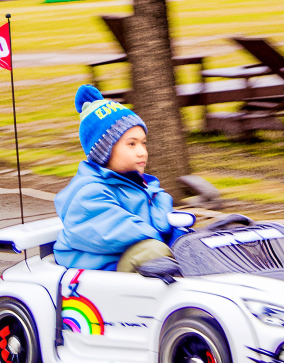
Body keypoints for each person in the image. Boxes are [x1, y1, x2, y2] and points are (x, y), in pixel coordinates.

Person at [52, 86, 187, 271]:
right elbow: (118, 230)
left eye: (143, 143)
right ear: (104, 151)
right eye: (131, 144)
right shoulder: (88, 192)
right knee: (154, 252)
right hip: (100, 271)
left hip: (127, 266)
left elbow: (162, 219)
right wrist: (167, 238)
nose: (142, 152)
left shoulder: (143, 186)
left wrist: (182, 235)